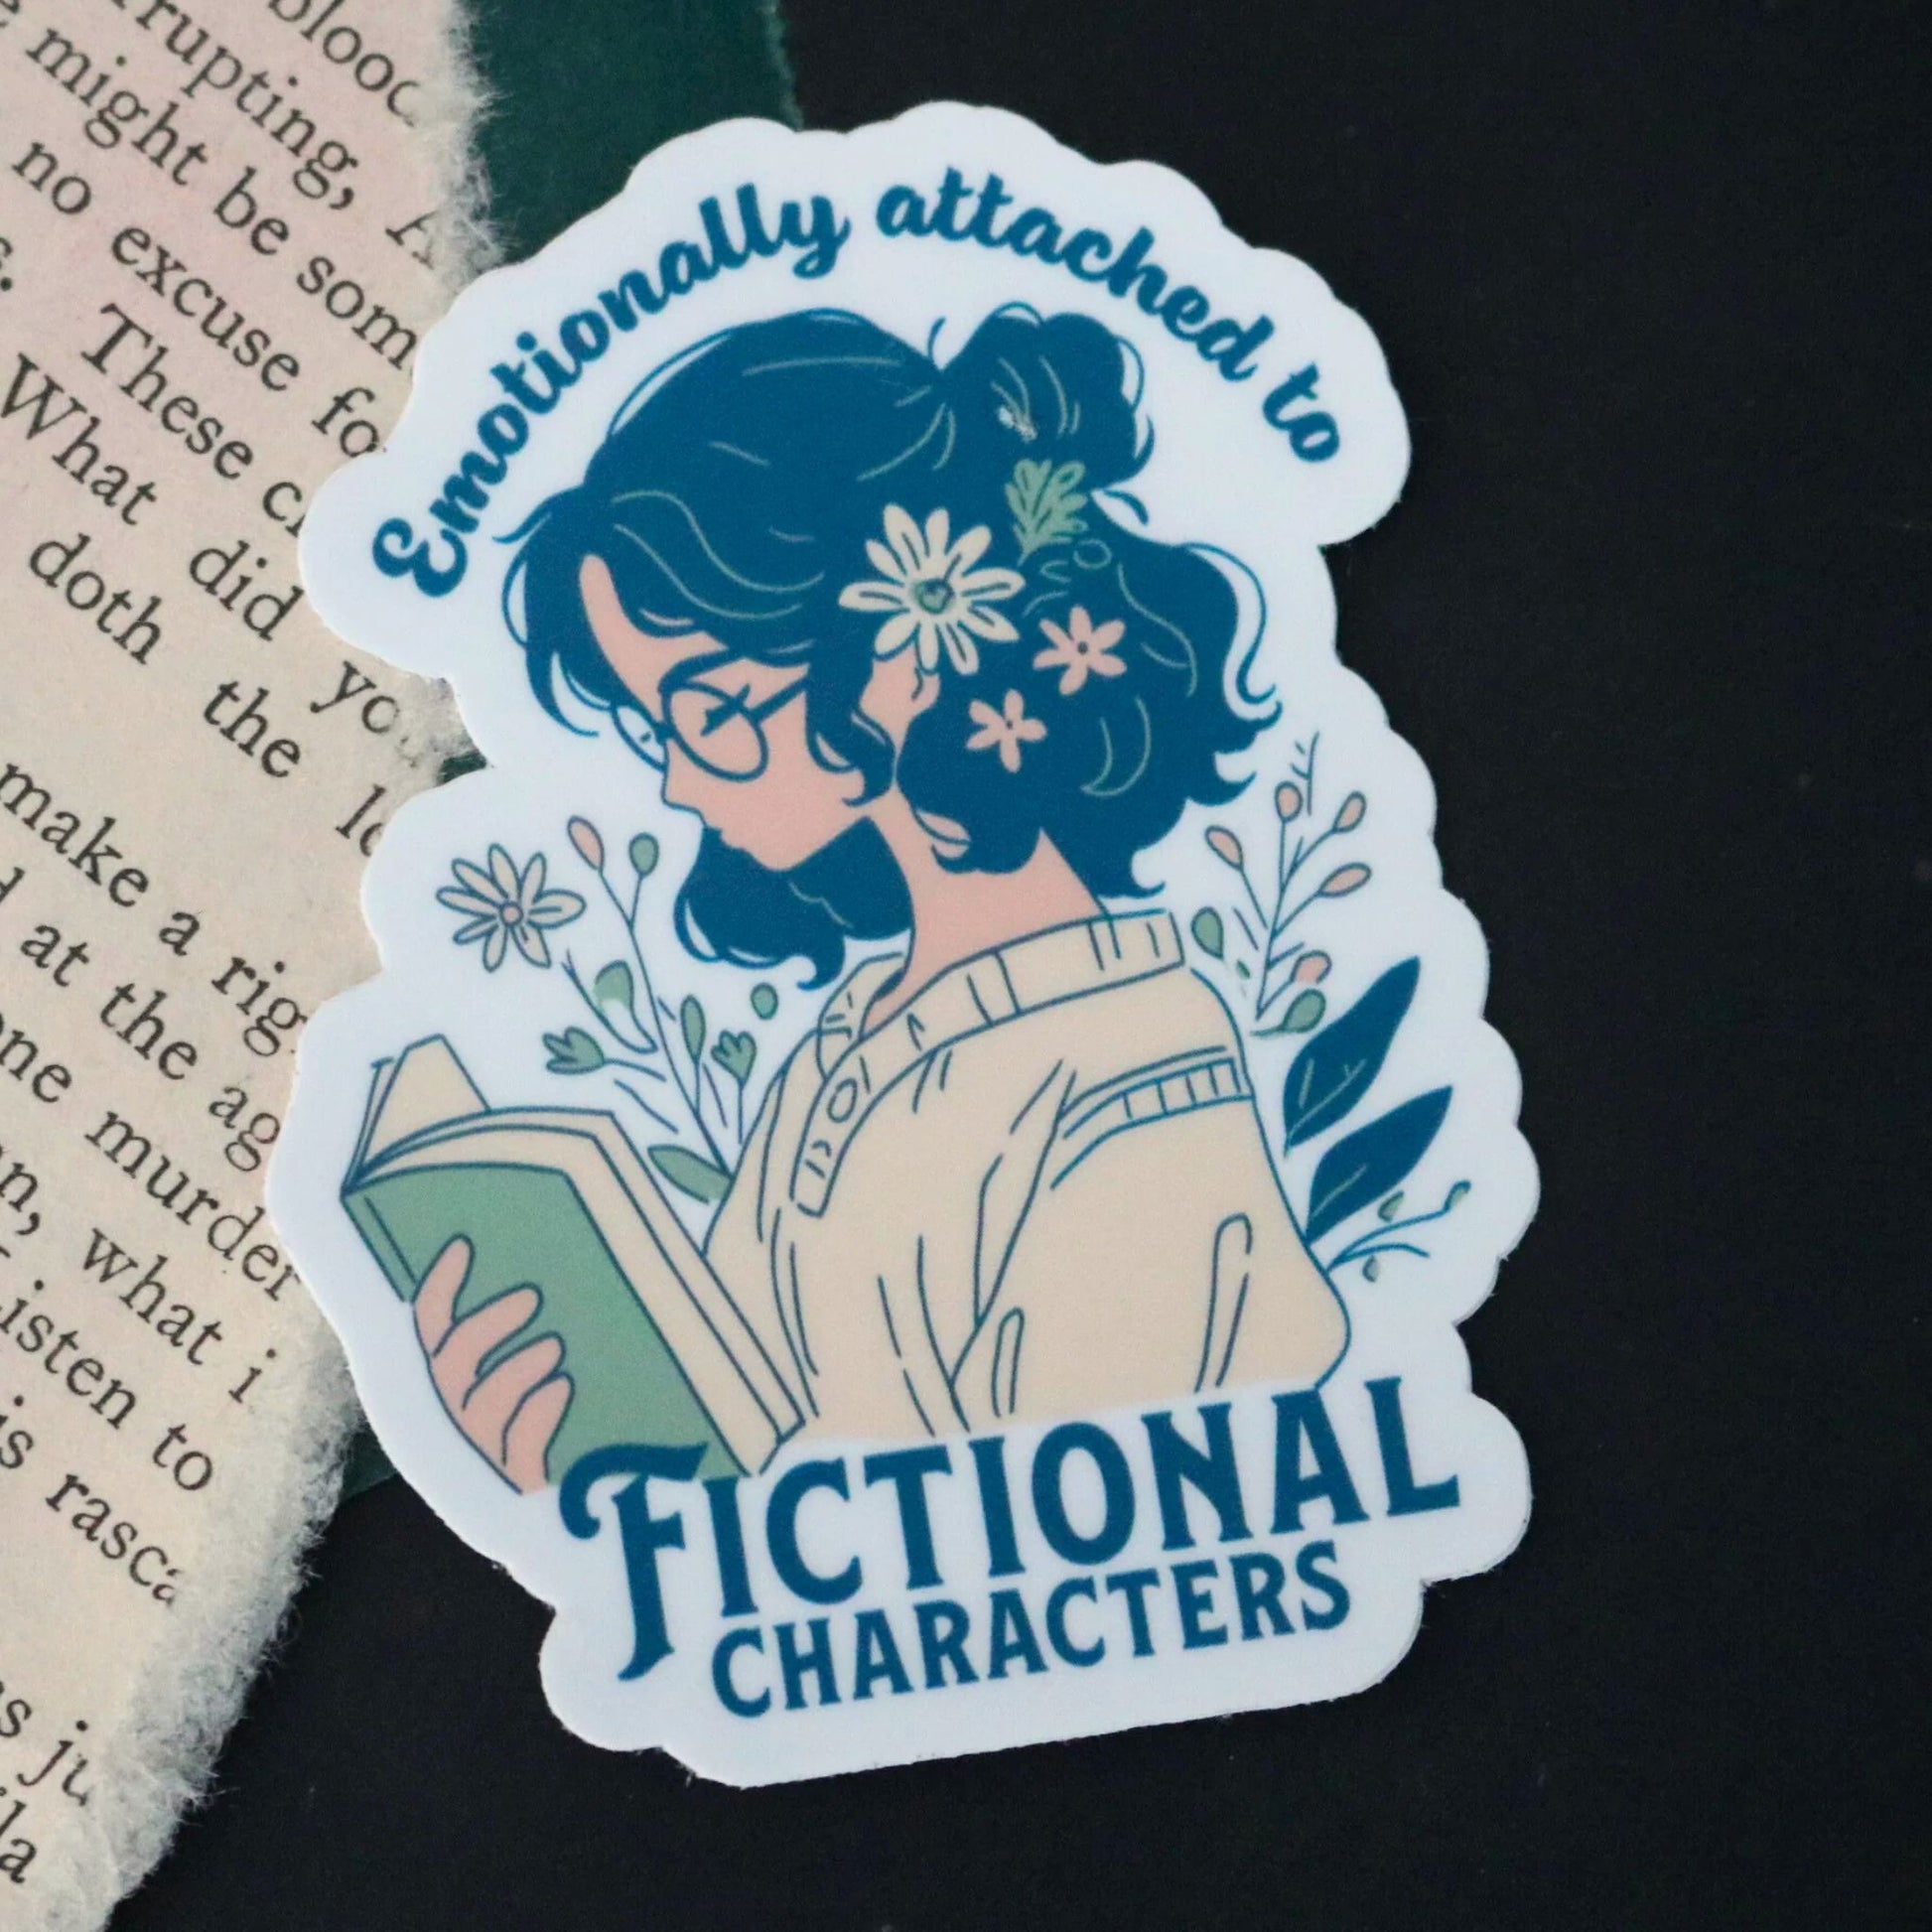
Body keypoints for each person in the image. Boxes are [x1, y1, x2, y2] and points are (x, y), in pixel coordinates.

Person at [413, 306, 1346, 1491]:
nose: (679, 780)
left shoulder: (1123, 1077)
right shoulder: (849, 1043)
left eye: (708, 713)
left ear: (898, 653)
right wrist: (570, 1455)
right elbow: (737, 1430)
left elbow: (1042, 1528)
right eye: (658, 728)